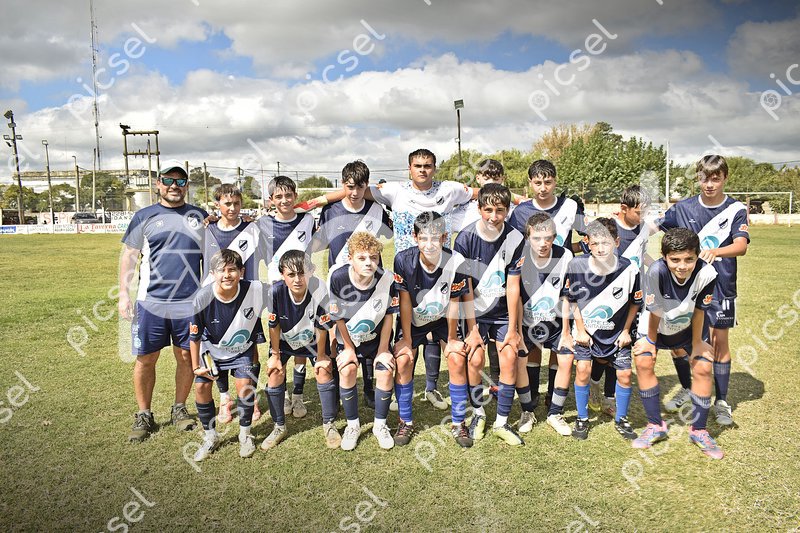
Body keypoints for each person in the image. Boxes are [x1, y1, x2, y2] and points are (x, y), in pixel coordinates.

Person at [119, 161, 207, 443]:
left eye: (180, 182)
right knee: (146, 358)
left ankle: (179, 409)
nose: (174, 186)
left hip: (189, 303)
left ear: (187, 186)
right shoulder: (143, 216)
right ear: (158, 184)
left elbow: (213, 254)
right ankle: (144, 414)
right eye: (168, 181)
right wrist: (123, 294)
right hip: (151, 302)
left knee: (186, 356)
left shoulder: (199, 216)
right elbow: (129, 256)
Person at [658, 155, 749, 425]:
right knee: (682, 341)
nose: (709, 184)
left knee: (718, 342)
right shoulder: (682, 208)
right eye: (704, 178)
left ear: (725, 178)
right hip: (686, 287)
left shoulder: (735, 209)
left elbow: (741, 246)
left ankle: (722, 401)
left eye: (715, 179)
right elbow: (655, 227)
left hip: (721, 286)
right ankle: (689, 388)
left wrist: (714, 252)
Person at [632, 228, 722, 459]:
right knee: (643, 361)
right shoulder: (656, 271)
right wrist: (650, 342)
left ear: (697, 256)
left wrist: (697, 343)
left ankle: (699, 430)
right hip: (656, 326)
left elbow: (700, 310)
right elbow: (655, 311)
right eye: (675, 260)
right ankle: (655, 426)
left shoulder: (708, 273)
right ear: (664, 257)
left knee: (703, 367)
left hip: (688, 325)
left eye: (689, 259)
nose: (682, 266)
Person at [312, 160, 393, 410]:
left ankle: (369, 389)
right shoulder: (331, 210)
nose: (355, 192)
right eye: (349, 186)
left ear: (366, 185)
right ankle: (340, 390)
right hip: (339, 283)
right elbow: (320, 241)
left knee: (368, 330)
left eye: (360, 187)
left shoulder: (377, 209)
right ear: (342, 184)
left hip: (369, 282)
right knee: (338, 334)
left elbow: (388, 235)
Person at [507, 159, 586, 410]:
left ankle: (552, 395)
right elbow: (513, 246)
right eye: (538, 182)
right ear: (530, 183)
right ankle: (531, 395)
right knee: (532, 341)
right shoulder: (520, 212)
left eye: (548, 182)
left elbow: (585, 237)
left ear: (555, 181)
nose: (543, 188)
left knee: (557, 342)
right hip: (532, 280)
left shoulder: (570, 206)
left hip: (560, 278)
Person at [454, 183, 525, 445]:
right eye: (488, 210)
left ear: (507, 210)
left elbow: (514, 285)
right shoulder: (465, 238)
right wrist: (472, 329)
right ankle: (479, 414)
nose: (494, 216)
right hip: (474, 311)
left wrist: (514, 329)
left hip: (502, 312)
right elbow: (465, 287)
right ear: (479, 208)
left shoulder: (515, 238)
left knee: (509, 356)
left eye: (500, 210)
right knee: (475, 358)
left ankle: (502, 422)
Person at [393, 212, 470, 446]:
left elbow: (455, 301)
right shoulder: (403, 260)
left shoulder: (456, 260)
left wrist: (452, 338)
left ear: (444, 238)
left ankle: (459, 423)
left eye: (435, 238)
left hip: (443, 318)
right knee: (404, 359)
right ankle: (405, 421)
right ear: (415, 237)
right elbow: (404, 302)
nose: (430, 244)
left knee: (456, 358)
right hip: (414, 318)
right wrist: (407, 339)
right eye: (424, 238)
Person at [563, 218, 642, 440]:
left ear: (616, 242)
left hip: (617, 333)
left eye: (606, 243)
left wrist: (625, 331)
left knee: (625, 374)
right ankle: (582, 418)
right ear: (587, 243)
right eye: (595, 243)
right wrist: (580, 330)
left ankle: (622, 418)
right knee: (582, 370)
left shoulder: (629, 268)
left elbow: (635, 303)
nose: (600, 248)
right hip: (586, 333)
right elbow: (572, 300)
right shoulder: (576, 265)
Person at [328, 232, 400, 451]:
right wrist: (348, 348)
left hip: (376, 341)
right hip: (349, 338)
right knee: (347, 369)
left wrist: (383, 349)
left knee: (385, 370)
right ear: (350, 258)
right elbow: (338, 317)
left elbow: (389, 316)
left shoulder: (387, 279)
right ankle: (353, 425)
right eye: (362, 258)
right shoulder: (338, 277)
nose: (369, 262)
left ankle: (380, 425)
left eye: (374, 257)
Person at [190, 250, 264, 460]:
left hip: (242, 349)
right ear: (212, 273)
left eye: (232, 270)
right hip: (211, 350)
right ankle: (210, 437)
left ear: (242, 272)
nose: (227, 275)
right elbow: (194, 336)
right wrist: (196, 367)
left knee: (245, 386)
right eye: (221, 270)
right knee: (201, 387)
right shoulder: (202, 297)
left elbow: (282, 290)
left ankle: (245, 435)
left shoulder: (254, 289)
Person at [261, 250, 339, 450]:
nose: (297, 279)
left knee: (323, 370)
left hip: (312, 341)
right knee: (274, 373)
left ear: (311, 271)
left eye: (302, 273)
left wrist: (321, 356)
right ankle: (279, 426)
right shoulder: (275, 292)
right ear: (282, 275)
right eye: (291, 274)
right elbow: (274, 325)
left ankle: (329, 425)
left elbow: (322, 326)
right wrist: (275, 355)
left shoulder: (319, 288)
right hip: (285, 341)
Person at [590, 185, 654, 419]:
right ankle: (593, 382)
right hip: (608, 298)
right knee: (602, 353)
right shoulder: (609, 228)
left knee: (620, 348)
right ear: (624, 208)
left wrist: (657, 266)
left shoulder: (644, 228)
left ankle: (609, 398)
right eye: (639, 212)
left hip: (633, 297)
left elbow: (640, 254)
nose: (643, 216)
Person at [507, 213, 574, 436]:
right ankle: (528, 409)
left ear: (554, 237)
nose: (543, 243)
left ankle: (555, 412)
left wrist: (567, 332)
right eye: (536, 238)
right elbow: (515, 296)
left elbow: (567, 295)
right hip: (527, 322)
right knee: (521, 358)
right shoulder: (520, 255)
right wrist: (517, 332)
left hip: (556, 323)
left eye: (548, 238)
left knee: (566, 357)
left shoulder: (565, 255)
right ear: (528, 237)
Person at [203, 184, 263, 425]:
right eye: (227, 203)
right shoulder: (207, 230)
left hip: (247, 300)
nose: (232, 208)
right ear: (217, 204)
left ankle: (251, 397)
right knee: (216, 348)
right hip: (215, 300)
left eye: (236, 203)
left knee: (251, 348)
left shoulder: (252, 229)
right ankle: (224, 398)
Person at [258, 176, 317, 419]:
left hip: (303, 287)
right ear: (271, 200)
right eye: (278, 196)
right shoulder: (262, 223)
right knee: (279, 341)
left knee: (301, 339)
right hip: (277, 291)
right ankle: (282, 393)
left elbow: (328, 199)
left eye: (288, 195)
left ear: (295, 196)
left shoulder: (307, 219)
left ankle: (298, 394)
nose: (284, 200)